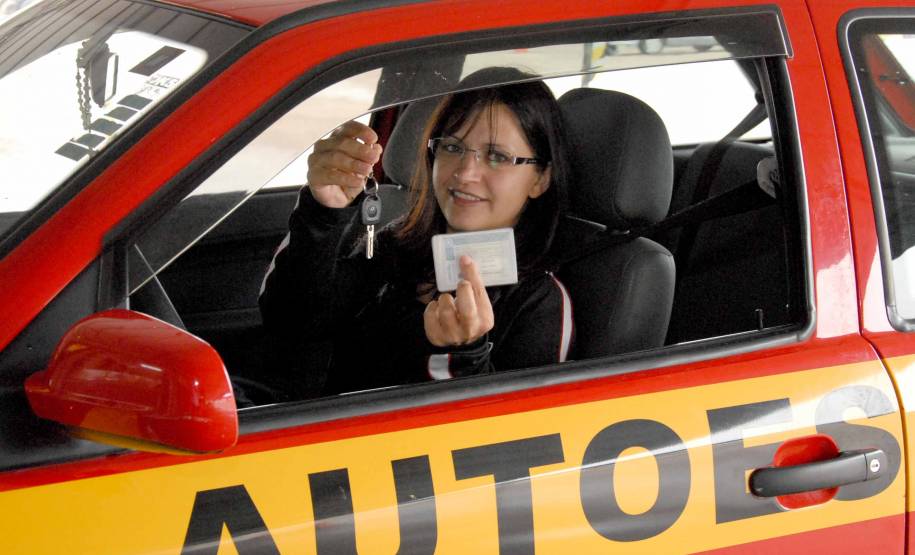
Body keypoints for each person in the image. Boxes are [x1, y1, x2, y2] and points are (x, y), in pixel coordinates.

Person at [259, 68, 573, 396]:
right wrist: (323, 214)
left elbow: (516, 426)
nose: (466, 173)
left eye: (497, 156)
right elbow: (290, 322)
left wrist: (464, 355)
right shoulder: (395, 246)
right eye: (453, 148)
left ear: (541, 179)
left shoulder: (539, 303)